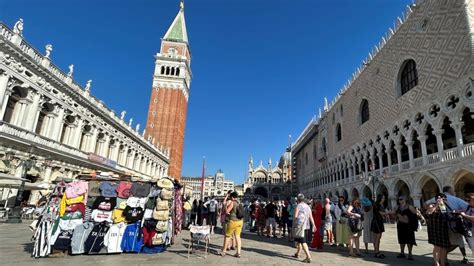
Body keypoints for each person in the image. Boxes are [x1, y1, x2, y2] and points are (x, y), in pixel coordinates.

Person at [426, 193, 451, 266]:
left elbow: (446, 216)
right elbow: (429, 213)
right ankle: (436, 263)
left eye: (441, 198)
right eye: (438, 198)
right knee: (437, 247)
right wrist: (437, 205)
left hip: (443, 229)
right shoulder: (432, 205)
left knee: (444, 248)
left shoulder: (445, 206)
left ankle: (442, 263)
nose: (439, 199)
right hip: (435, 229)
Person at [292, 193, 316, 263]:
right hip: (306, 226)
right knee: (299, 239)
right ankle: (297, 253)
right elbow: (311, 216)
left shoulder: (298, 206)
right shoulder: (307, 206)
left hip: (300, 226)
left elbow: (295, 216)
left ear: (298, 200)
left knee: (303, 241)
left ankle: (308, 257)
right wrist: (313, 225)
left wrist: (294, 224)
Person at [219, 192, 243, 258]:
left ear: (232, 197)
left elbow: (226, 212)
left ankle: (224, 251)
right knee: (238, 236)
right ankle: (238, 253)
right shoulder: (240, 203)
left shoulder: (233, 203)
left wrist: (226, 207)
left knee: (227, 236)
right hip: (240, 221)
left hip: (233, 221)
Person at [395, 195, 418, 260]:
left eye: (401, 199)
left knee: (409, 239)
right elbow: (395, 214)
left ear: (405, 199)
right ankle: (402, 252)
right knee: (401, 239)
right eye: (399, 199)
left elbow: (415, 214)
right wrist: (397, 218)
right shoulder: (398, 207)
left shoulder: (409, 206)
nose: (400, 200)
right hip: (400, 225)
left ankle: (410, 253)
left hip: (408, 225)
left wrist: (408, 218)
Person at [372, 194, 389, 259]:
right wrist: (390, 212)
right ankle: (376, 252)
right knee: (377, 238)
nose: (384, 199)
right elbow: (380, 213)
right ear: (380, 198)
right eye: (383, 198)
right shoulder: (377, 204)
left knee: (378, 238)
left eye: (384, 198)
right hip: (376, 222)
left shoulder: (380, 205)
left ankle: (377, 251)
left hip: (379, 221)